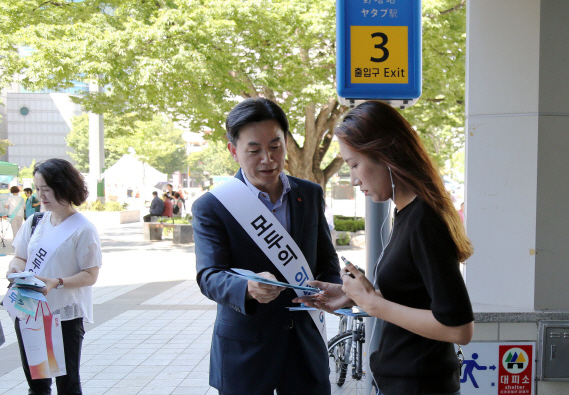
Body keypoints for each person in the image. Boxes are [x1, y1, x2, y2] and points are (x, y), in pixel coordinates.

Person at [295, 100, 474, 395]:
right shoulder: (406, 213)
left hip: (421, 386)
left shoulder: (423, 220)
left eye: (354, 164)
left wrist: (373, 303)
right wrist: (351, 296)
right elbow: (414, 300)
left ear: (387, 154)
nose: (353, 179)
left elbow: (459, 329)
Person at [192, 97, 341, 395]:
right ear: (233, 150)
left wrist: (331, 289)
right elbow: (209, 276)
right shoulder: (213, 206)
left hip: (305, 346)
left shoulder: (309, 194)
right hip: (246, 352)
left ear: (286, 142)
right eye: (254, 150)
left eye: (275, 146)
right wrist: (247, 287)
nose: (268, 159)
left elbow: (327, 260)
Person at [5, 158, 102, 395]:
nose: (40, 196)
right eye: (38, 189)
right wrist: (15, 269)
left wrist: (57, 282)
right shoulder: (35, 221)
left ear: (64, 188)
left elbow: (90, 275)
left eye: (46, 190)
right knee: (37, 384)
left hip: (64, 316)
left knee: (67, 385)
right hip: (30, 311)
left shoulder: (83, 229)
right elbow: (20, 256)